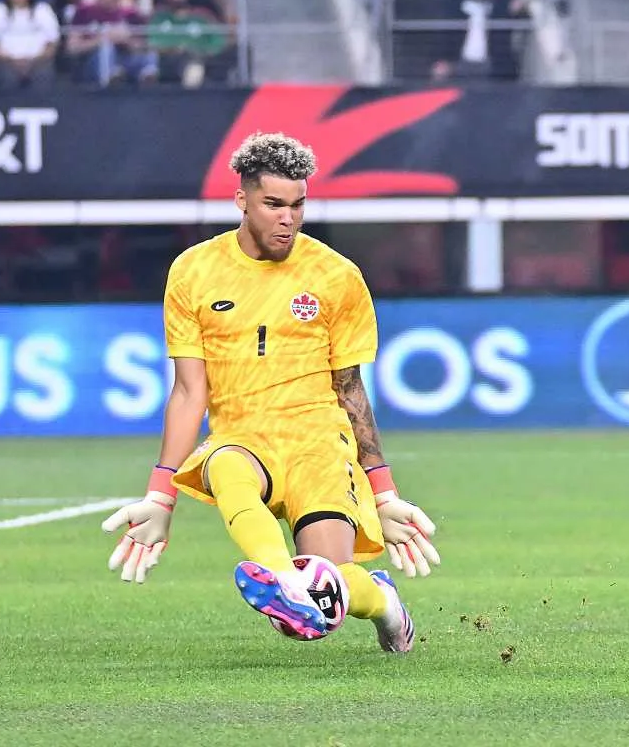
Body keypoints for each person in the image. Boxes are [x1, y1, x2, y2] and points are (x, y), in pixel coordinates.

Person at [100, 132, 441, 652]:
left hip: (318, 443)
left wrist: (384, 491)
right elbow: (190, 392)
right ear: (243, 200)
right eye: (274, 205)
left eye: (298, 204)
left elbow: (350, 390)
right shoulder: (194, 271)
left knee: (330, 589)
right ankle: (284, 582)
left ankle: (382, 603)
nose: (288, 217)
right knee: (225, 464)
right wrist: (160, 494)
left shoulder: (336, 276)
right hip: (243, 439)